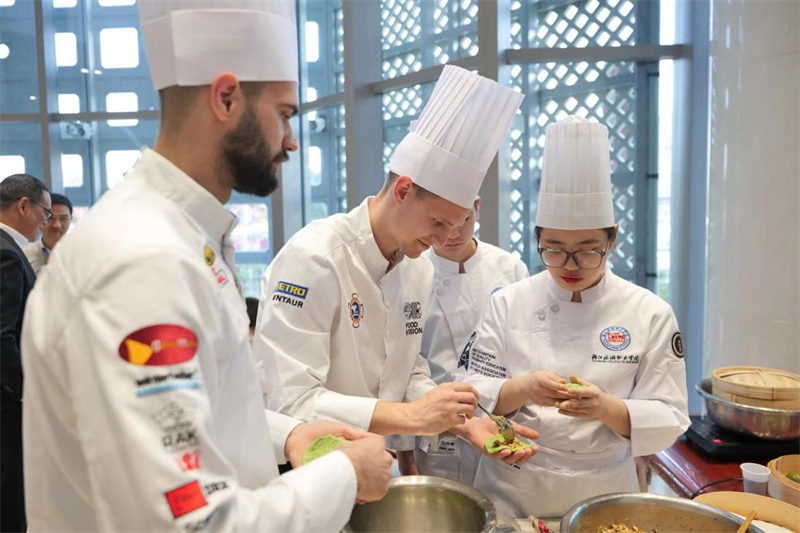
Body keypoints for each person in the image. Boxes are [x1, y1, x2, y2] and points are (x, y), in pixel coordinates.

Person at [21, 1, 392, 531]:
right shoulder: (143, 260)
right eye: (284, 114)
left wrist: (287, 436)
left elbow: (190, 412)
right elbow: (191, 522)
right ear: (225, 98)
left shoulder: (182, 236)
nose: (291, 140)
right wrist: (344, 475)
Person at [255, 65, 537, 475]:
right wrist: (410, 417)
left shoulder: (416, 269)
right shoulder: (314, 258)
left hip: (366, 461)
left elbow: (407, 372)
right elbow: (292, 401)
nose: (444, 240)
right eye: (438, 223)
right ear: (403, 190)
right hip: (298, 468)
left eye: (458, 225)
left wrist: (464, 422)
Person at [460, 115, 689, 520]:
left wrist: (604, 407)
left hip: (603, 488)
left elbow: (669, 415)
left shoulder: (650, 312)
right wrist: (525, 388)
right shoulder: (508, 302)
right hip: (513, 483)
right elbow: (472, 391)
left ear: (612, 238)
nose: (570, 265)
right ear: (537, 239)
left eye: (587, 249)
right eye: (553, 249)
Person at [414, 196, 529, 484]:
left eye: (463, 220)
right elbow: (400, 368)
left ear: (478, 207)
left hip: (503, 421)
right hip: (438, 429)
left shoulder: (511, 268)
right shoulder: (411, 271)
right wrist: (403, 447)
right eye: (440, 223)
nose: (452, 233)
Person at [0, 174, 51, 533]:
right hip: (6, 404)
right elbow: (2, 334)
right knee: (11, 499)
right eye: (45, 214)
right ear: (23, 206)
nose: (46, 224)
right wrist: (24, 391)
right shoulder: (6, 253)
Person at [24, 193, 73, 275]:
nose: (56, 225)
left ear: (71, 219)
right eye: (50, 218)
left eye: (63, 219)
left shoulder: (82, 252)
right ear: (39, 218)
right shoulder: (26, 254)